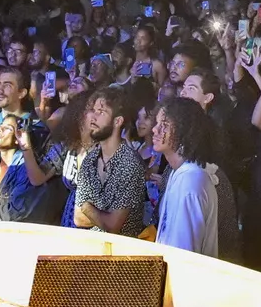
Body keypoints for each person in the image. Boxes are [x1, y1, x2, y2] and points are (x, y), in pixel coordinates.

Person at [70, 87, 147, 236]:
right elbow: (78, 219)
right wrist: (103, 214)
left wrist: (87, 207)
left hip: (123, 253)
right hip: (93, 249)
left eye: (101, 112)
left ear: (118, 121)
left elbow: (112, 225)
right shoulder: (90, 159)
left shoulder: (129, 163)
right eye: (93, 110)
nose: (93, 117)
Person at [153, 98, 219, 256]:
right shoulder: (179, 173)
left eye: (165, 125)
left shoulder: (190, 181)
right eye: (157, 123)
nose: (155, 129)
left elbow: (184, 253)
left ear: (184, 131)